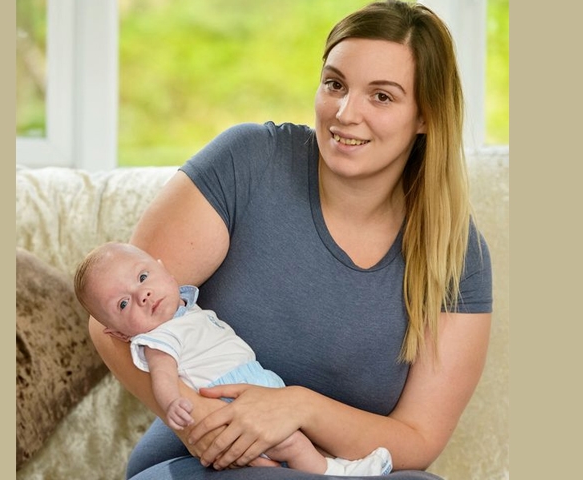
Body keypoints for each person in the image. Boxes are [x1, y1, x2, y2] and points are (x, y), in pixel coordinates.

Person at [89, 1, 493, 479]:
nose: (345, 113)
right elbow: (114, 321)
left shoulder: (457, 254)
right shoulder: (248, 163)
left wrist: (298, 407)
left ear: (425, 116)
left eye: (381, 96)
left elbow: (417, 439)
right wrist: (201, 423)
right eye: (335, 84)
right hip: (208, 462)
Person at [74, 241, 393, 476]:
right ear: (120, 335)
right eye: (123, 305)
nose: (141, 295)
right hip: (230, 405)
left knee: (300, 439)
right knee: (292, 445)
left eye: (143, 277)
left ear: (164, 269)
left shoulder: (186, 309)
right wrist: (174, 404)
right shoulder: (157, 339)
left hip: (258, 387)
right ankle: (338, 474)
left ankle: (334, 465)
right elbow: (162, 375)